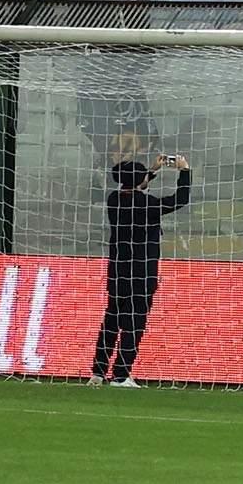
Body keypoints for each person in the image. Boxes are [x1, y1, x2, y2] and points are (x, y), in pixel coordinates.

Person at [91, 151, 190, 386]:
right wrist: (185, 171)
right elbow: (180, 200)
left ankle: (98, 372)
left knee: (112, 320)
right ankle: (121, 375)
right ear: (139, 178)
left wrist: (152, 171)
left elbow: (135, 186)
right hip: (142, 271)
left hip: (117, 270)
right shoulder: (147, 204)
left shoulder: (114, 199)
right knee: (134, 324)